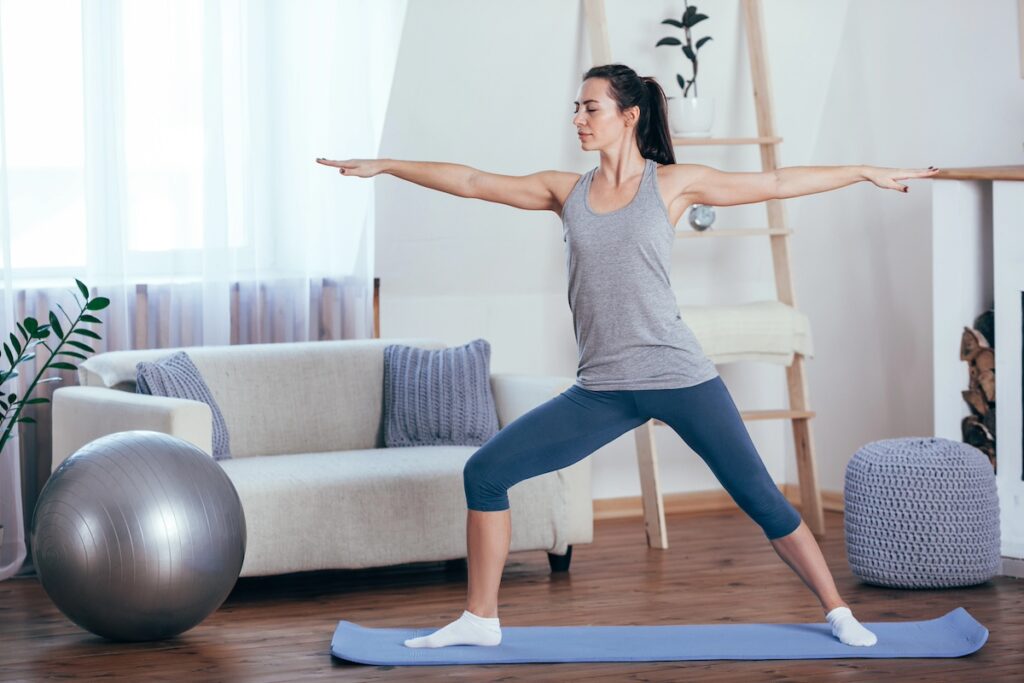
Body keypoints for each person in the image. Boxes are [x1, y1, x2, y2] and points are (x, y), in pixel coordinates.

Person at [316, 63, 939, 650]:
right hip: (603, 389)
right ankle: (480, 618)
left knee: (761, 500)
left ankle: (839, 613)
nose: (579, 120)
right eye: (578, 109)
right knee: (485, 473)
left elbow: (775, 183)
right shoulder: (567, 191)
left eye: (591, 108)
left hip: (678, 376)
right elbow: (474, 182)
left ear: (629, 115)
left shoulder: (673, 184)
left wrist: (862, 170)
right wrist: (388, 165)